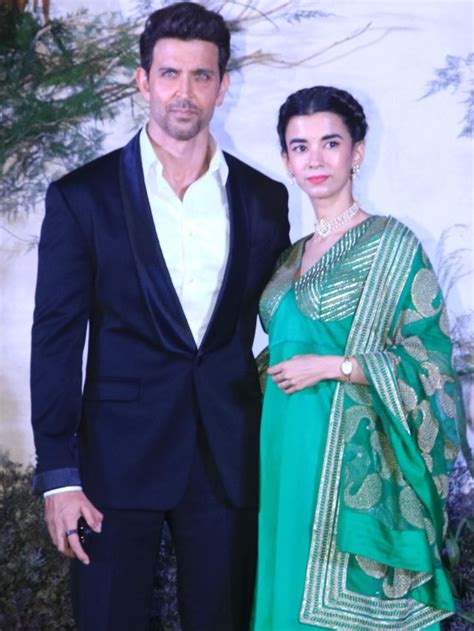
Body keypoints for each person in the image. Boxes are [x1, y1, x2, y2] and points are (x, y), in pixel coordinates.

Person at [30, 3, 290, 629]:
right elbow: (56, 340)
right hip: (113, 463)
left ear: (222, 86)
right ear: (143, 81)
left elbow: (284, 320)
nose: (185, 91)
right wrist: (59, 476)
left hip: (227, 459)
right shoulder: (82, 197)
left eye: (202, 76)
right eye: (170, 74)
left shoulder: (264, 198)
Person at [251, 85, 462, 630]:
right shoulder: (289, 256)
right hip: (283, 444)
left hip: (347, 453)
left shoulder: (392, 244)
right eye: (300, 147)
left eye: (330, 143)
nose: (315, 159)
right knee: (285, 583)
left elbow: (431, 361)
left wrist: (335, 367)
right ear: (286, 161)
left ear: (357, 152)